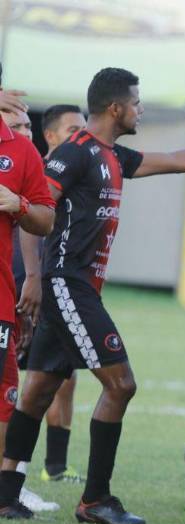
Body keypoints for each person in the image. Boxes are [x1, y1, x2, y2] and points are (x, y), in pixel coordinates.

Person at [0, 66, 185, 524]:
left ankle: (6, 495)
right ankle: (95, 499)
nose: (141, 109)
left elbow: (175, 158)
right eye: (137, 102)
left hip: (77, 288)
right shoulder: (75, 153)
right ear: (115, 107)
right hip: (68, 285)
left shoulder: (114, 157)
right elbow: (36, 206)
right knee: (121, 385)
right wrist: (34, 278)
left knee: (40, 389)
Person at [12, 104, 87, 484]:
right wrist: (33, 277)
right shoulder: (31, 165)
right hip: (25, 283)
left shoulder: (79, 167)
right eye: (73, 129)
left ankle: (53, 466)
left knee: (60, 376)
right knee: (26, 382)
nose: (80, 136)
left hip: (52, 285)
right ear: (51, 136)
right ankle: (14, 477)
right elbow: (31, 227)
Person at [0, 61, 57, 519]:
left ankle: (5, 493)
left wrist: (17, 204)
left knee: (4, 398)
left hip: (0, 296)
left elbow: (44, 218)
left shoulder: (21, 151)